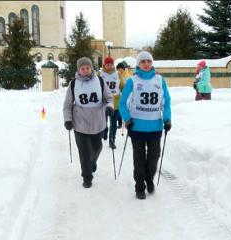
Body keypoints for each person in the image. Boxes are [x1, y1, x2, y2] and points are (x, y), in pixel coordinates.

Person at [119, 51, 171, 200]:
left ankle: (149, 179)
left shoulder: (160, 80)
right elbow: (123, 103)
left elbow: (166, 101)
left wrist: (167, 119)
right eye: (143, 61)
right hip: (136, 127)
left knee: (154, 156)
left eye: (149, 61)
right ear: (138, 64)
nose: (146, 64)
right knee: (139, 158)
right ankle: (139, 186)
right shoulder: (132, 81)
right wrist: (127, 119)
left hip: (155, 127)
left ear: (152, 63)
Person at [63, 57, 114, 188]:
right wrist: (68, 120)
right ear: (78, 70)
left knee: (97, 147)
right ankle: (87, 177)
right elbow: (68, 104)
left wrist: (109, 106)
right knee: (84, 152)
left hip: (98, 123)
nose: (85, 70)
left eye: (87, 68)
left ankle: (92, 162)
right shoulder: (73, 84)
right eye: (82, 68)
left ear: (91, 68)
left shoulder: (100, 81)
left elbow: (108, 97)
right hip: (80, 124)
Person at [101, 57, 125, 149]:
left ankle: (112, 140)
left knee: (113, 122)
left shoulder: (118, 74)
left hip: (115, 102)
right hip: (103, 102)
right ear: (104, 65)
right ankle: (105, 130)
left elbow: (122, 85)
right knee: (103, 120)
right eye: (107, 64)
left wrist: (126, 95)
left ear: (113, 65)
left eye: (111, 64)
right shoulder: (100, 74)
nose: (109, 66)